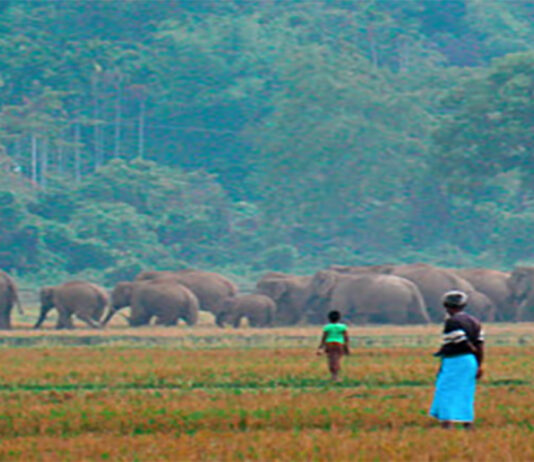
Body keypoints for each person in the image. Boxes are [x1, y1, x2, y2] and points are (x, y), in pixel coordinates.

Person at [430, 290, 484, 430]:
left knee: (446, 391)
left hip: (456, 360)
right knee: (466, 392)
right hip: (471, 362)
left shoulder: (452, 322)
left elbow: (460, 341)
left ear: (446, 306)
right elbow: (480, 344)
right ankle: (468, 424)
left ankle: (447, 423)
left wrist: (470, 349)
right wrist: (479, 364)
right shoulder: (474, 321)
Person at [316, 310, 350, 381]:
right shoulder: (343, 327)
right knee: (337, 359)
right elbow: (346, 338)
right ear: (339, 318)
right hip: (339, 345)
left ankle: (333, 375)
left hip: (329, 345)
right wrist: (346, 348)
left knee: (331, 359)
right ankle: (335, 375)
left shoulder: (327, 327)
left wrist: (321, 346)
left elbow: (324, 337)